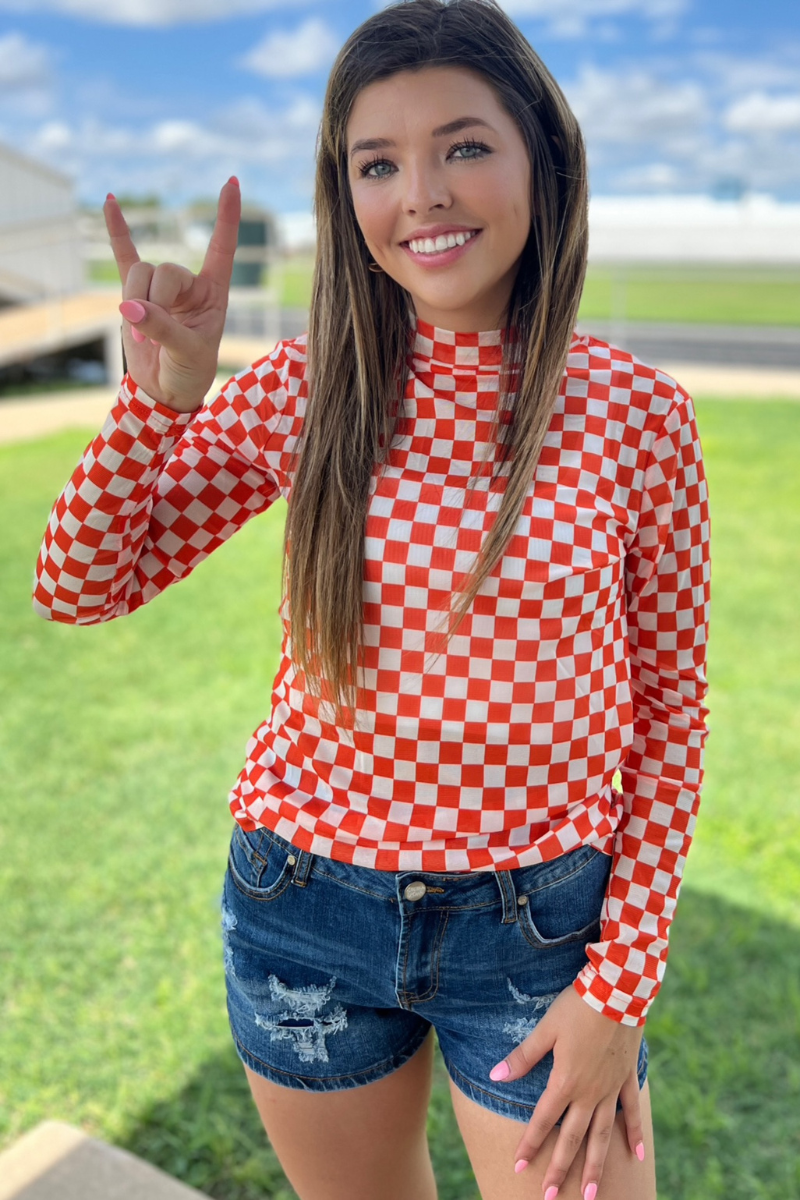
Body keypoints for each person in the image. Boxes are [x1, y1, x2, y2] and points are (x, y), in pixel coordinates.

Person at [32, 0, 711, 1196]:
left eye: (462, 146)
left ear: (541, 160)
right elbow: (80, 586)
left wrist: (618, 988)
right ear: (344, 195)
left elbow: (668, 715)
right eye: (377, 164)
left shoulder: (633, 412)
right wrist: (159, 401)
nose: (421, 196)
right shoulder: (309, 384)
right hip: (305, 907)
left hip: (536, 927)